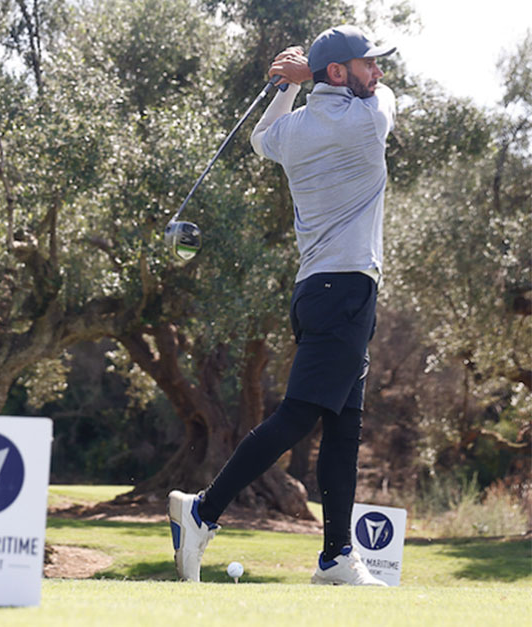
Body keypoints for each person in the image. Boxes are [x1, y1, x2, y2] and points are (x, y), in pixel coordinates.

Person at [168, 24, 397, 586]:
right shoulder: (367, 121)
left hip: (321, 292)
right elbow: (385, 99)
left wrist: (287, 85)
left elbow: (260, 139)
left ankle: (337, 556)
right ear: (340, 73)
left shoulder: (294, 129)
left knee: (344, 426)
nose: (381, 74)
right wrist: (307, 76)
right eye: (369, 64)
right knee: (300, 414)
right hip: (343, 290)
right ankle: (203, 511)